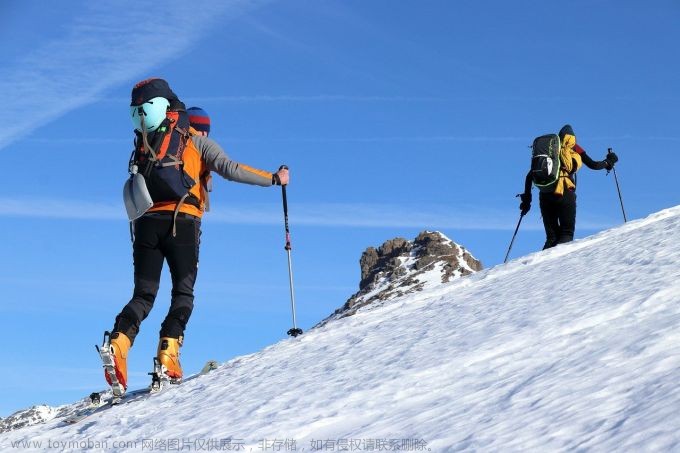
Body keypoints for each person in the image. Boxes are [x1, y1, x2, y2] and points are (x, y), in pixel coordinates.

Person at [105, 78, 289, 393]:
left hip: (146, 223)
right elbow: (231, 168)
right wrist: (274, 178)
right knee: (183, 293)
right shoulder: (197, 142)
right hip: (183, 223)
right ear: (201, 127)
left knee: (143, 295)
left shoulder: (149, 141)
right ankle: (168, 355)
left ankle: (119, 345)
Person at [519, 124, 618, 249]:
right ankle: (558, 268)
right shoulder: (574, 147)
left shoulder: (550, 151)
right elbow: (593, 165)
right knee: (566, 233)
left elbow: (530, 175)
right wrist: (609, 162)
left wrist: (527, 201)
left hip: (545, 194)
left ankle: (542, 266)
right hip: (565, 193)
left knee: (551, 238)